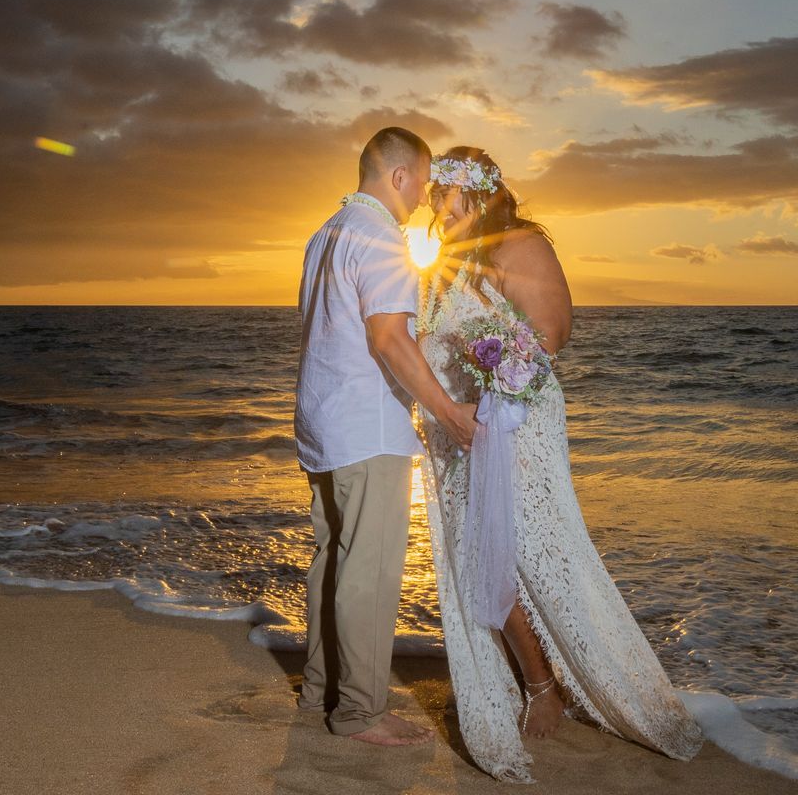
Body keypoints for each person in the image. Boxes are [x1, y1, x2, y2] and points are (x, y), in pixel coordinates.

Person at [413, 145, 704, 783]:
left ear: (482, 191)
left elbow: (552, 334)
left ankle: (565, 684)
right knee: (477, 551)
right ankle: (537, 678)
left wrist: (499, 381)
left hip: (514, 424)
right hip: (455, 430)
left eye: (446, 191)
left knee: (534, 548)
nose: (436, 203)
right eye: (434, 193)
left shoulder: (520, 245)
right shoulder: (445, 262)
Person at [294, 126, 479, 747]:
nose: (424, 195)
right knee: (367, 571)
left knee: (331, 562)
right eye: (422, 181)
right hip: (366, 426)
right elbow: (389, 339)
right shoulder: (378, 237)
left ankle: (321, 688)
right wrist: (452, 413)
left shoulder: (325, 235)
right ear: (398, 176)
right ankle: (360, 712)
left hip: (322, 421)